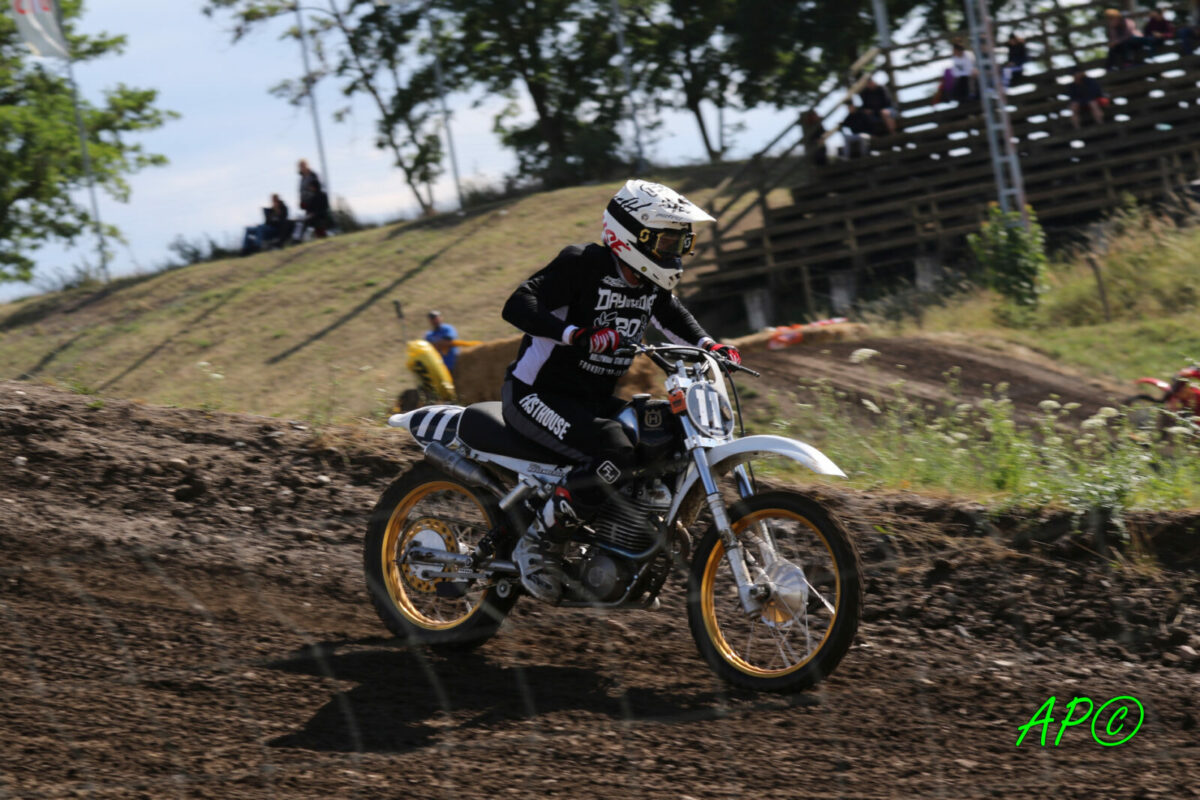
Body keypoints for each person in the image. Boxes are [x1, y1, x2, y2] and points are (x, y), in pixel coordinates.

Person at [499, 179, 741, 602]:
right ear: (633, 234)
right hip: (535, 395)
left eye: (681, 242)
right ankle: (536, 545)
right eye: (667, 241)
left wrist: (710, 346)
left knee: (664, 434)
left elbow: (672, 315)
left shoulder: (647, 283)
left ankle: (626, 546)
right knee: (614, 449)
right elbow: (519, 303)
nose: (675, 252)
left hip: (589, 401)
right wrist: (575, 335)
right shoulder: (583, 264)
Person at [295, 159, 330, 240]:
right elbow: (301, 191)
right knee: (304, 222)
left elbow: (318, 187)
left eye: (303, 165)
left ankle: (322, 236)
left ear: (307, 165)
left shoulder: (313, 175)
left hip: (316, 204)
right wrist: (301, 200)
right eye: (300, 166)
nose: (302, 168)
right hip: (307, 204)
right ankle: (297, 238)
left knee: (316, 220)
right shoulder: (302, 178)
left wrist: (313, 196)